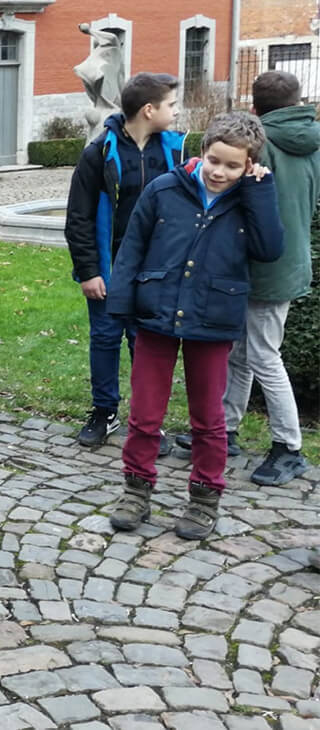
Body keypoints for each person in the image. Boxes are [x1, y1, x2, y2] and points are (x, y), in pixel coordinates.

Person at [106, 112, 284, 540]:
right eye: (214, 160)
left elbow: (269, 248)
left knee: (208, 418)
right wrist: (122, 305)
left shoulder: (251, 198)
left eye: (232, 165)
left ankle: (205, 497)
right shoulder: (165, 189)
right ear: (202, 152)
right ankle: (136, 488)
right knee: (146, 413)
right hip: (156, 315)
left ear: (249, 165)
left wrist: (260, 192)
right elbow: (132, 248)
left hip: (213, 317)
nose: (219, 172)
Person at [195, 70, 314, 486]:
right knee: (242, 354)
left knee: (263, 355)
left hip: (263, 266)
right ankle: (224, 431)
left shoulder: (260, 146)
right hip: (293, 259)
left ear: (255, 107)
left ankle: (289, 447)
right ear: (298, 101)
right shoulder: (311, 140)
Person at [65, 72, 186, 448]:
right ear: (149, 110)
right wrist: (89, 271)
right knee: (105, 338)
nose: (176, 111)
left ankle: (148, 421)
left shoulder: (175, 152)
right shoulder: (99, 153)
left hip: (155, 271)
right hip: (110, 267)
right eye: (171, 105)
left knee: (145, 342)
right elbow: (79, 218)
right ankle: (105, 411)